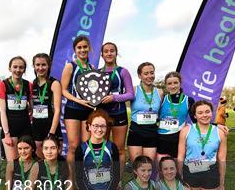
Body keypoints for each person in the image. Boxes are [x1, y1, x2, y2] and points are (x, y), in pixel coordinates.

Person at [98, 42, 134, 179]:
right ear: (102, 55)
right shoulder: (97, 72)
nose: (109, 53)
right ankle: (103, 177)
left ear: (116, 53)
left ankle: (118, 180)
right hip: (102, 114)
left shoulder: (122, 72)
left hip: (119, 113)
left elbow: (131, 94)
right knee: (102, 148)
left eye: (112, 51)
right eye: (106, 51)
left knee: (119, 149)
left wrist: (114, 97)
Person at [61, 35, 95, 165]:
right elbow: (64, 90)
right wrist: (78, 100)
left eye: (85, 47)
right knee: (73, 146)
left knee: (86, 146)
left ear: (89, 48)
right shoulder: (70, 66)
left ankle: (83, 178)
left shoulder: (92, 68)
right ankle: (71, 180)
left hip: (88, 110)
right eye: (79, 47)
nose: (82, 50)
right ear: (75, 50)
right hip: (73, 110)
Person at [0, 56, 33, 161]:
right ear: (10, 68)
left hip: (25, 127)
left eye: (21, 67)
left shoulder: (28, 85)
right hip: (10, 127)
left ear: (24, 69)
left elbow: (32, 107)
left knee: (26, 160)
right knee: (12, 162)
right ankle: (11, 178)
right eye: (15, 67)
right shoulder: (3, 84)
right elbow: (2, 112)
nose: (18, 70)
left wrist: (31, 110)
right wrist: (7, 134)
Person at [127, 62, 163, 165]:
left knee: (148, 165)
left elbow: (160, 114)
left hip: (152, 132)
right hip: (136, 131)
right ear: (139, 75)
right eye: (146, 73)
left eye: (152, 73)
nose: (149, 76)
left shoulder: (159, 92)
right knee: (137, 165)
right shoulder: (133, 90)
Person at [156, 71, 195, 161]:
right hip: (162, 139)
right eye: (169, 83)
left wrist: (217, 125)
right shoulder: (162, 98)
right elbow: (155, 116)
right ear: (166, 85)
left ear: (180, 83)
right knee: (162, 168)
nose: (173, 86)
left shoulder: (188, 100)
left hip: (179, 139)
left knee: (177, 169)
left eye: (175, 83)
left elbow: (196, 120)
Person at [31, 53, 63, 158]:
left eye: (43, 65)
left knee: (55, 159)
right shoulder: (33, 83)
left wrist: (52, 133)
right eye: (38, 65)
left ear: (48, 66)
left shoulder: (54, 83)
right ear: (34, 66)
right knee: (41, 160)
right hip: (37, 126)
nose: (40, 68)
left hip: (51, 125)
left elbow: (58, 110)